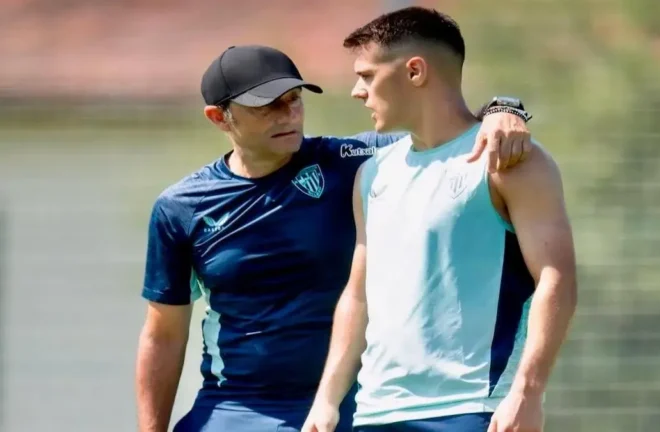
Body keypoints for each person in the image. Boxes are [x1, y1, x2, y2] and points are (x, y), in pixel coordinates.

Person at [135, 42, 536, 432]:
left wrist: (503, 109)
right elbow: (164, 335)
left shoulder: (355, 161)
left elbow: (449, 132)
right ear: (219, 118)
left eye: (294, 99)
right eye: (266, 106)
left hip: (356, 399)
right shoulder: (181, 208)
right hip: (239, 403)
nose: (288, 114)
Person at [302, 7, 577, 432]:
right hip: (375, 413)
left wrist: (526, 392)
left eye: (368, 76)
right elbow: (358, 295)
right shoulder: (372, 173)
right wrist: (326, 400)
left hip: (474, 409)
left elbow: (556, 280)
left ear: (415, 71)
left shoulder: (509, 160)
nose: (357, 91)